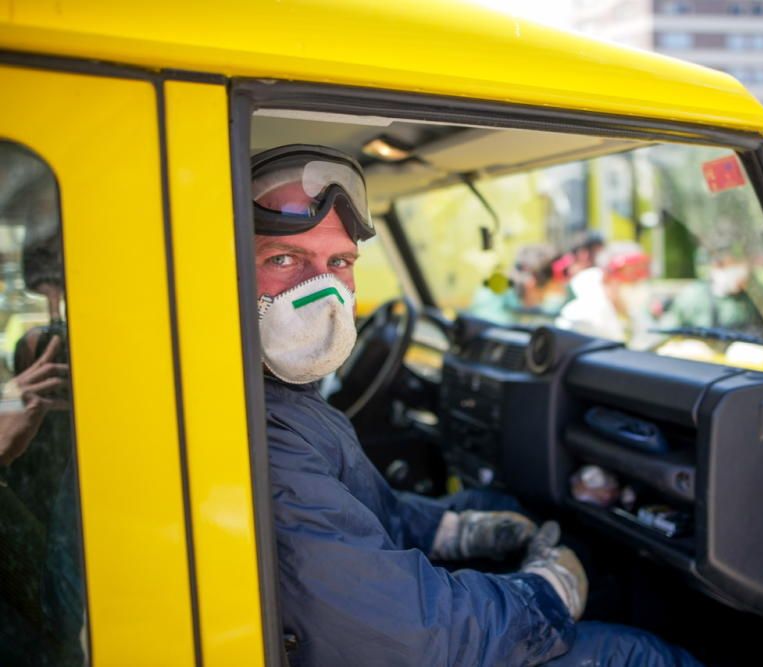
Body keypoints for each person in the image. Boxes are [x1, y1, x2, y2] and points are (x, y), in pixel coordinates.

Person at [251, 144, 700, 666]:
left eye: (340, 262)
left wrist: (454, 528)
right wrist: (548, 594)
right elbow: (410, 635)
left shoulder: (273, 395)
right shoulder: (259, 432)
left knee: (511, 513)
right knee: (636, 655)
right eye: (283, 259)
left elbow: (360, 520)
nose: (321, 291)